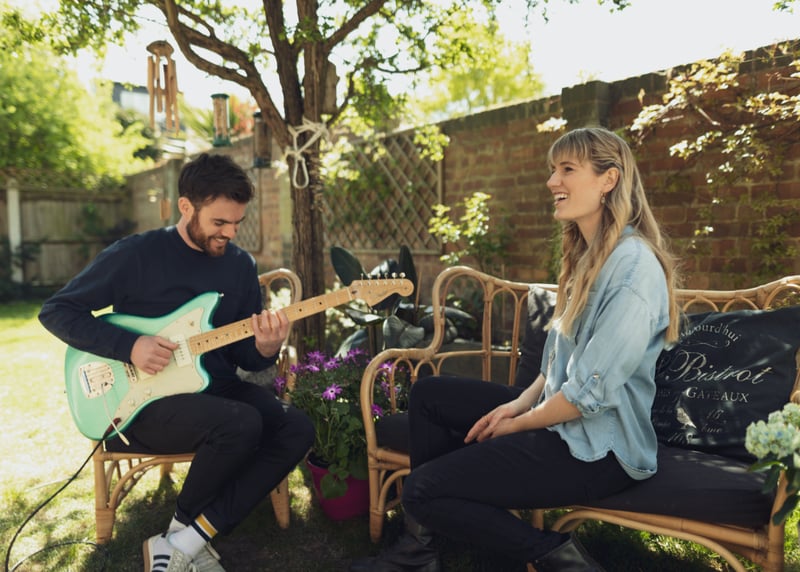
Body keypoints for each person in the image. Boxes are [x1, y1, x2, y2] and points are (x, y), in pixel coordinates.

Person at [349, 127, 682, 572]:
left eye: (567, 169)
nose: (551, 181)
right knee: (430, 395)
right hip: (560, 418)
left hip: (599, 450)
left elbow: (588, 394)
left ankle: (561, 560)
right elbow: (558, 362)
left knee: (422, 489)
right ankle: (420, 551)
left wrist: (517, 425)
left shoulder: (633, 267)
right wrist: (518, 405)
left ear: (609, 179)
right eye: (553, 169)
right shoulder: (590, 255)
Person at [39, 153, 315, 572]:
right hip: (144, 402)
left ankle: (184, 539)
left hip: (215, 388)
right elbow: (57, 311)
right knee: (240, 423)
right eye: (219, 222)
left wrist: (265, 347)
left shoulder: (239, 265)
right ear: (187, 206)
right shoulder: (135, 254)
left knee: (296, 426)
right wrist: (130, 346)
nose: (230, 233)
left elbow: (242, 355)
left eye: (237, 223)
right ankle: (188, 542)